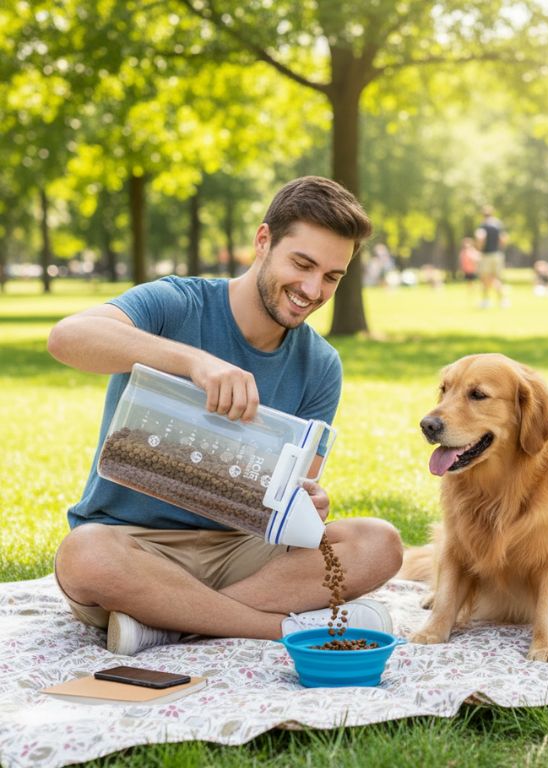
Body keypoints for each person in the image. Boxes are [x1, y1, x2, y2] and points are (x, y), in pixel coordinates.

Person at [47, 176, 404, 656]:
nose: (312, 289)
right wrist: (195, 363)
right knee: (84, 555)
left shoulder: (320, 365)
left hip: (243, 552)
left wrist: (304, 501)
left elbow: (289, 493)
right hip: (133, 546)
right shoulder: (177, 303)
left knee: (379, 543)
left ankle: (167, 624)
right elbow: (68, 338)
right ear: (263, 241)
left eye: (332, 278)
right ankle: (277, 629)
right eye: (302, 264)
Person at [474, 206, 508, 307]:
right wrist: (499, 249)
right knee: (497, 278)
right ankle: (502, 300)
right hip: (497, 254)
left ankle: (486, 300)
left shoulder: (483, 225)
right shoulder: (498, 224)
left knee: (485, 278)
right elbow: (504, 238)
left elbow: (480, 237)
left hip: (487, 255)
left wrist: (479, 250)